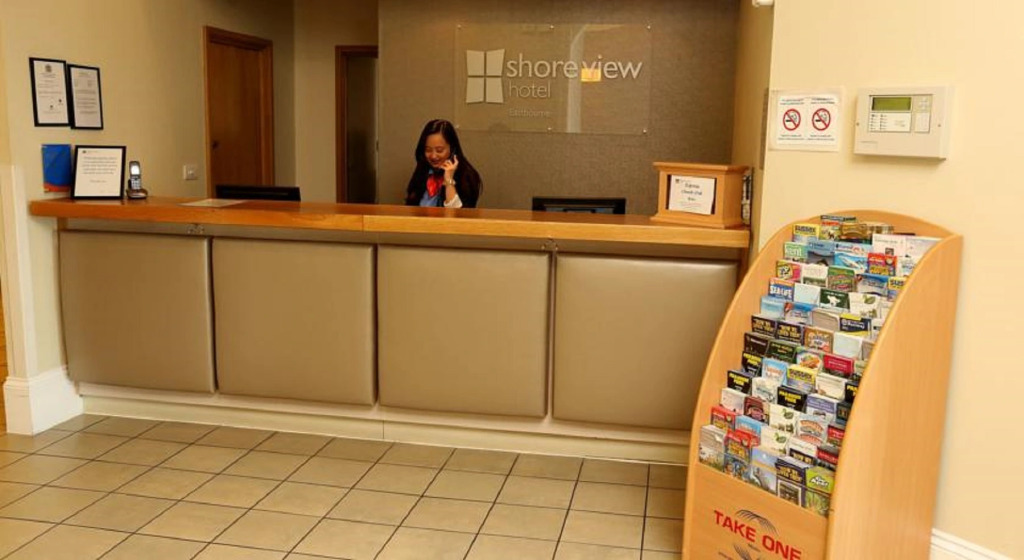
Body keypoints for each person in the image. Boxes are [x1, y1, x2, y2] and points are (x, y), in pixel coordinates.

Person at [405, 119, 482, 208]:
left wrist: (449, 181)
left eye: (439, 150)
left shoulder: (467, 175)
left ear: (452, 149)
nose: (433, 156)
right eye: (428, 150)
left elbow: (458, 214)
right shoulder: (423, 171)